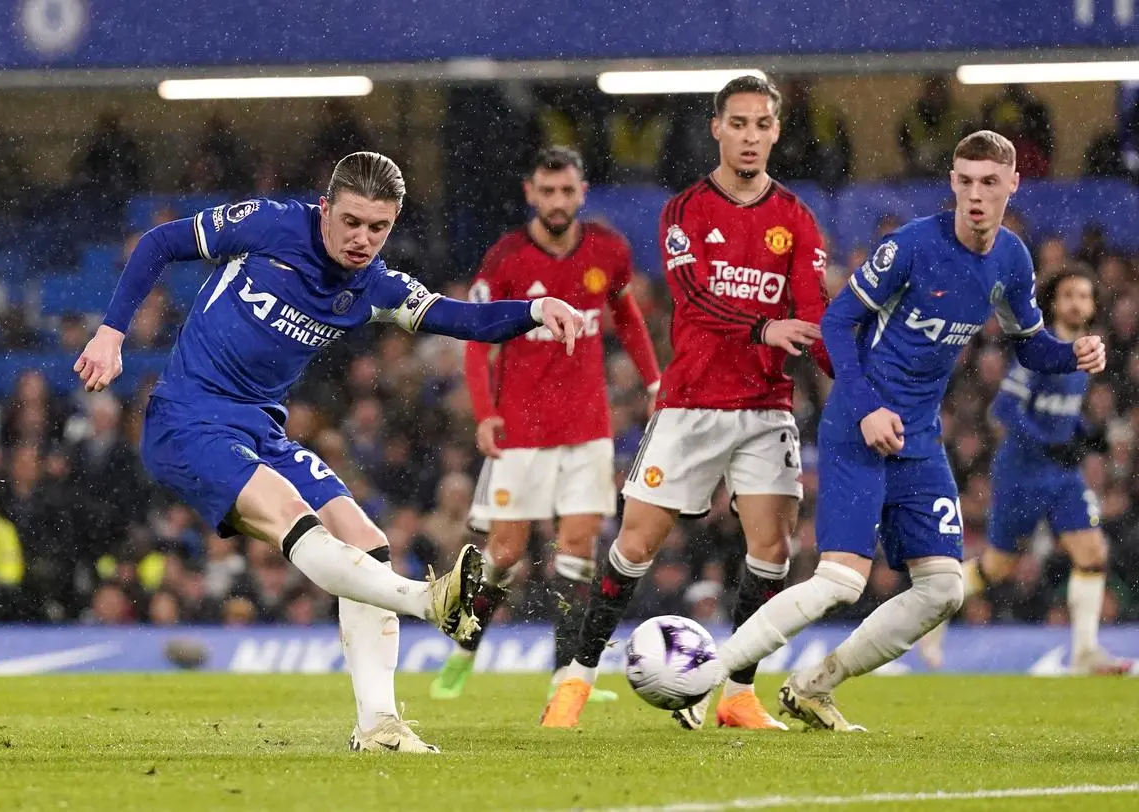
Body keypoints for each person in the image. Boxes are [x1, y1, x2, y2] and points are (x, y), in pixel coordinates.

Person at [75, 151, 585, 753]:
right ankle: (429, 600)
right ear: (326, 207)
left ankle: (377, 725)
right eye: (351, 222)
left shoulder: (374, 285)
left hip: (262, 429)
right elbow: (161, 242)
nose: (362, 239)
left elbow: (456, 317)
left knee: (366, 542)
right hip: (189, 418)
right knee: (298, 517)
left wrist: (533, 310)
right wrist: (111, 332)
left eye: (379, 228)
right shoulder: (269, 226)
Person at [678, 130, 1107, 733]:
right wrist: (868, 408)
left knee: (944, 590)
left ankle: (812, 687)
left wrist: (1075, 353)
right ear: (952, 183)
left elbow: (1031, 348)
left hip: (919, 437)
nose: (975, 195)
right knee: (839, 582)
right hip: (861, 425)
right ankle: (702, 679)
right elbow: (836, 324)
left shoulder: (1011, 258)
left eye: (989, 182)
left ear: (1013, 184)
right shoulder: (909, 247)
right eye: (965, 181)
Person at [541, 75, 833, 730]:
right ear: (717, 128)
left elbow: (814, 316)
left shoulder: (796, 219)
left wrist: (853, 375)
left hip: (765, 404)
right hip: (692, 402)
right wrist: (764, 327)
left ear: (776, 131)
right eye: (739, 123)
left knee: (774, 549)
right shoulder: (685, 211)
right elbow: (693, 298)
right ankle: (575, 681)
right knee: (635, 546)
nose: (751, 136)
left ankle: (736, 693)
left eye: (762, 124)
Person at [428, 146, 661, 704]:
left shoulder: (609, 249)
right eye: (547, 191)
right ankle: (464, 647)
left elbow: (626, 316)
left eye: (567, 190)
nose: (557, 201)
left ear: (582, 191)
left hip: (587, 427)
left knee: (577, 548)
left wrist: (655, 384)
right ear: (530, 193)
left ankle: (567, 676)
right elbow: (477, 342)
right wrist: (486, 413)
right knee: (505, 554)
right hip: (521, 432)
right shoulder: (505, 259)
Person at [918, 269, 1134, 674]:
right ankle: (932, 611)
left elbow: (1061, 416)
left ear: (1092, 305)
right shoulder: (1040, 351)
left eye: (1084, 296)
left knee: (1092, 553)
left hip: (1061, 476)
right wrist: (1047, 442)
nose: (1077, 303)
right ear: (1053, 303)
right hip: (1021, 474)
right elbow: (1002, 410)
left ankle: (1086, 652)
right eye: (1069, 295)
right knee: (999, 566)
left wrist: (1088, 436)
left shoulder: (1085, 353)